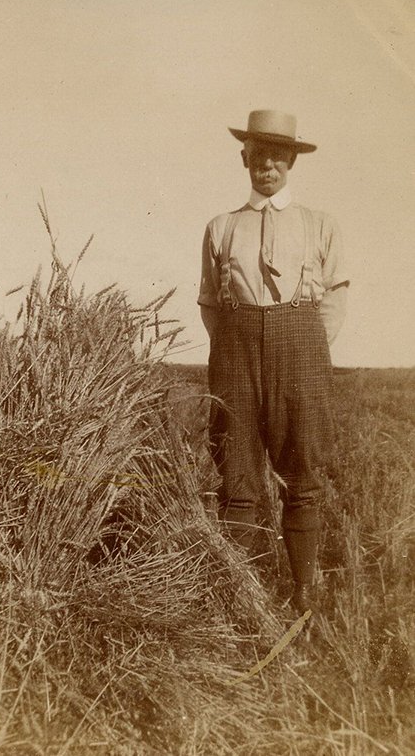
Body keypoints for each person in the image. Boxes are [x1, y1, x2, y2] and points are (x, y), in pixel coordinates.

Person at [198, 109, 349, 614]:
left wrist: (302, 348)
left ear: (291, 162)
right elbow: (210, 306)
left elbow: (332, 303)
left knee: (301, 470)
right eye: (258, 155)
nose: (268, 165)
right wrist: (236, 348)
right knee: (236, 471)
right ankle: (239, 596)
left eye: (277, 156)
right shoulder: (221, 226)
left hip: (302, 350)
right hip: (235, 349)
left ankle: (304, 592)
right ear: (245, 159)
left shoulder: (320, 224)